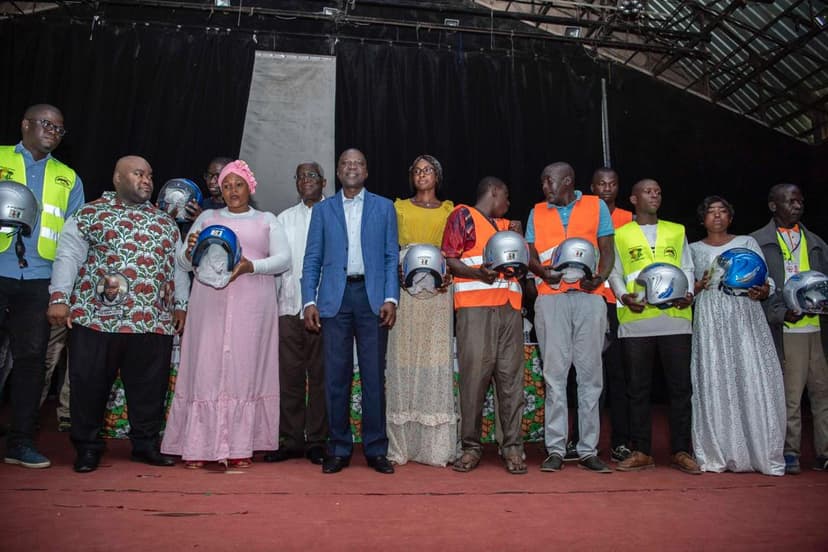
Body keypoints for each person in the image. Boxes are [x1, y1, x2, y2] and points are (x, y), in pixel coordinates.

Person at [47, 155, 187, 473]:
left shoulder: (165, 221)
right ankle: (87, 447)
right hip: (97, 319)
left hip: (152, 320)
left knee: (150, 388)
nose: (147, 180)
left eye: (150, 175)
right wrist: (59, 298)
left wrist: (182, 305)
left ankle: (145, 445)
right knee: (90, 386)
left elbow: (177, 267)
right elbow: (68, 255)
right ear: (117, 178)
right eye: (138, 174)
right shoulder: (90, 213)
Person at [162, 160, 290, 469]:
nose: (232, 191)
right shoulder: (207, 217)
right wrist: (188, 250)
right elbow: (183, 262)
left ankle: (241, 446)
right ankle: (196, 446)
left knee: (244, 371)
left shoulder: (266, 220)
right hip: (210, 301)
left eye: (239, 184)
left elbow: (284, 260)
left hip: (252, 304)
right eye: (227, 185)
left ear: (251, 187)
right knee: (205, 368)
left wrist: (251, 266)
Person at [301, 148, 399, 475]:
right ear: (338, 172)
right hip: (334, 300)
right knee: (336, 378)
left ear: (366, 171)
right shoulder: (324, 210)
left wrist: (391, 298)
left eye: (358, 163)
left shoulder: (385, 208)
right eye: (346, 164)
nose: (352, 168)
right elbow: (312, 260)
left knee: (373, 378)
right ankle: (339, 448)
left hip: (372, 300)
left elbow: (389, 257)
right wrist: (309, 301)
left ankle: (375, 449)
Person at [1, 104, 85, 469]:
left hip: (38, 281)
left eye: (59, 129)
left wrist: (61, 291)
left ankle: (20, 441)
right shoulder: (2, 157)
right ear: (25, 124)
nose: (53, 131)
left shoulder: (68, 178)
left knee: (31, 363)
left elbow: (73, 239)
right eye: (47, 124)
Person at [526, 163, 614, 474]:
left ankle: (588, 449)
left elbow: (607, 249)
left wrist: (600, 277)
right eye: (543, 180)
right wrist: (541, 273)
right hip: (551, 300)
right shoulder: (536, 212)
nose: (545, 186)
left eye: (549, 180)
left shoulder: (595, 206)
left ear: (568, 181)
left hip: (589, 298)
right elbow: (531, 255)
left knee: (590, 376)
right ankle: (556, 449)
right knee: (555, 376)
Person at [609, 179, 701, 475]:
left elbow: (687, 267)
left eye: (659, 192)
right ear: (633, 199)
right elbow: (614, 272)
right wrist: (623, 296)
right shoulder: (620, 234)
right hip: (636, 320)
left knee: (680, 388)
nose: (654, 195)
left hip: (675, 319)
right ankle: (641, 450)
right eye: (648, 191)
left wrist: (688, 293)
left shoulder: (677, 230)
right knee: (637, 389)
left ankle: (681, 450)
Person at [689, 196, 785, 475]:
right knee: (715, 379)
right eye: (711, 212)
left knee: (750, 375)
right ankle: (718, 452)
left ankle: (760, 451)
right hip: (710, 318)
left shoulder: (746, 243)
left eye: (722, 212)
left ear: (730, 217)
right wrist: (696, 286)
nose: (717, 216)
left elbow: (766, 280)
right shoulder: (692, 248)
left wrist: (765, 290)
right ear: (702, 219)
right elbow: (688, 287)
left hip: (744, 315)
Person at [442, 177, 527, 475]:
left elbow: (523, 267)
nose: (508, 202)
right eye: (506, 196)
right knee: (474, 381)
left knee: (511, 381)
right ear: (494, 192)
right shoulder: (462, 216)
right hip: (475, 310)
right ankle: (470, 447)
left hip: (510, 310)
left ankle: (513, 447)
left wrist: (522, 237)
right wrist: (478, 274)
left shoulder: (507, 228)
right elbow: (449, 259)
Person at [751, 183, 828, 474]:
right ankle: (790, 451)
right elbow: (756, 289)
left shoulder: (816, 243)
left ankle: (825, 451)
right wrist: (782, 313)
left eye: (800, 201)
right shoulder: (758, 242)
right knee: (791, 396)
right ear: (773, 206)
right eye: (790, 201)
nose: (797, 206)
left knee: (823, 393)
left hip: (817, 329)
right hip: (787, 330)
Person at [386, 155, 456, 467]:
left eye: (427, 170)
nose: (422, 174)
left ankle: (435, 448)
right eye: (416, 170)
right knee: (403, 357)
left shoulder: (449, 210)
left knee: (436, 358)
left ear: (437, 176)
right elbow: (389, 249)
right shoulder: (397, 207)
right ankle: (403, 445)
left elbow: (455, 251)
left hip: (439, 291)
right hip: (405, 288)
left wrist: (450, 274)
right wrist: (394, 275)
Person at [564, 167, 634, 463]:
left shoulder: (630, 220)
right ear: (591, 187)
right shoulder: (585, 214)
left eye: (612, 183)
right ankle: (577, 439)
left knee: (618, 375)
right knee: (581, 373)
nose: (607, 188)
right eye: (601, 184)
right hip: (589, 299)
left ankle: (621, 441)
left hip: (619, 305)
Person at [264, 162, 328, 465]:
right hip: (288, 306)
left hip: (325, 309)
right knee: (288, 376)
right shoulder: (283, 219)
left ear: (324, 182)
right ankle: (291, 440)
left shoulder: (334, 215)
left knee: (321, 377)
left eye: (312, 175)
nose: (306, 180)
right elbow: (276, 265)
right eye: (300, 176)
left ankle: (317, 441)